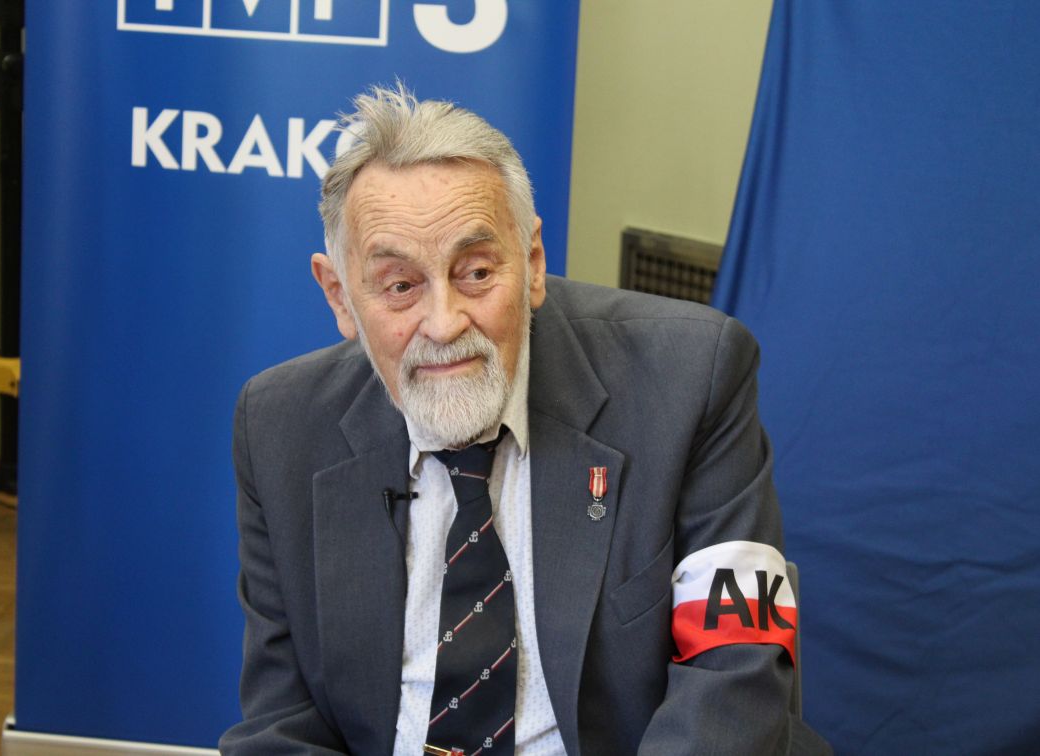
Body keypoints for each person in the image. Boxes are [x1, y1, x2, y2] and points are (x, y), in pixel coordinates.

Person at [221, 84, 828, 755]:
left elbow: (732, 677)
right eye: (400, 286)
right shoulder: (280, 428)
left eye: (477, 273)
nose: (444, 323)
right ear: (340, 295)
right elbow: (283, 721)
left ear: (532, 263)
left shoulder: (689, 379)